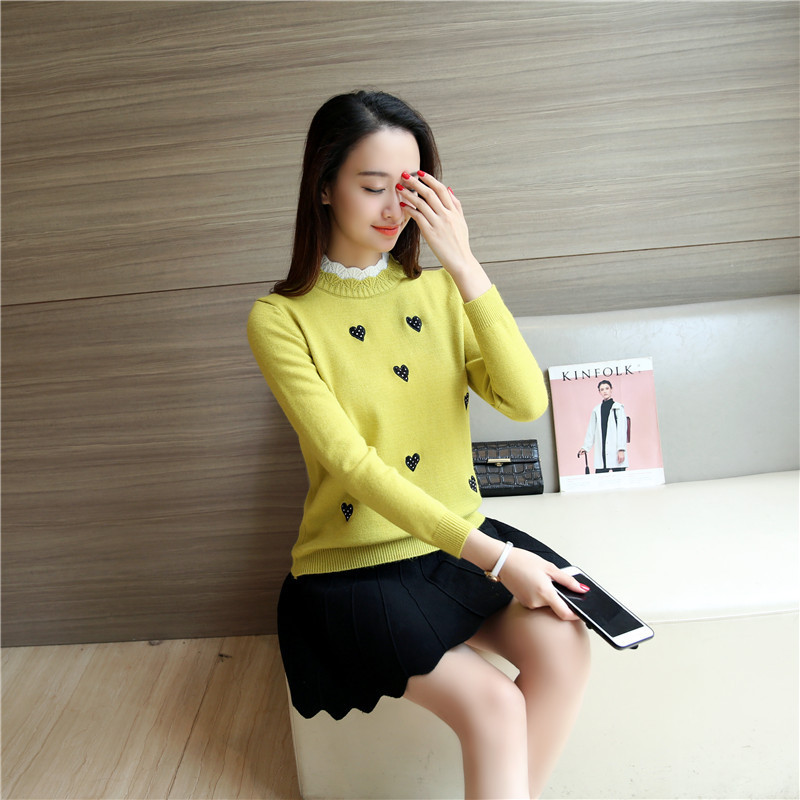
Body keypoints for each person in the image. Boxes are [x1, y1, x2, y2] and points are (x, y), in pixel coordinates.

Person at [247, 90, 590, 800]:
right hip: (355, 567)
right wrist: (499, 559)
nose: (393, 209)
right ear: (323, 187)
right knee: (494, 707)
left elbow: (525, 402)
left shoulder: (439, 293)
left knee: (566, 646)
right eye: (372, 186)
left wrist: (465, 266)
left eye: (407, 189)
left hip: (452, 545)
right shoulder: (280, 318)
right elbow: (352, 465)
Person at [578, 380, 628, 473]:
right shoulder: (596, 410)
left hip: (615, 449)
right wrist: (586, 447)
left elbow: (622, 430)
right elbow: (591, 430)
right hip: (602, 449)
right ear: (599, 392)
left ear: (611, 390)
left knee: (619, 478)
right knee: (600, 475)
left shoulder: (618, 408)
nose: (605, 391)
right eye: (602, 389)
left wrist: (621, 449)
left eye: (607, 388)